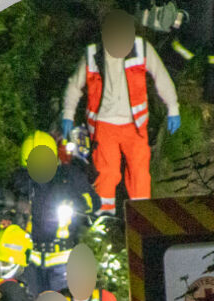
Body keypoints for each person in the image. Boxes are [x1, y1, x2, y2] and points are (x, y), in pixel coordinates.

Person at [61, 9, 180, 215]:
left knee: (139, 172)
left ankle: (141, 214)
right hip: (104, 125)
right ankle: (104, 217)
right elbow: (74, 85)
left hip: (134, 126)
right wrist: (67, 114)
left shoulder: (142, 49)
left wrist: (173, 107)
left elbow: (161, 76)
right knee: (105, 173)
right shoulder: (93, 54)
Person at [10, 131, 97, 295]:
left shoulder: (69, 176)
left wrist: (77, 202)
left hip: (62, 258)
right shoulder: (20, 180)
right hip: (30, 259)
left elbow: (93, 202)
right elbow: (5, 205)